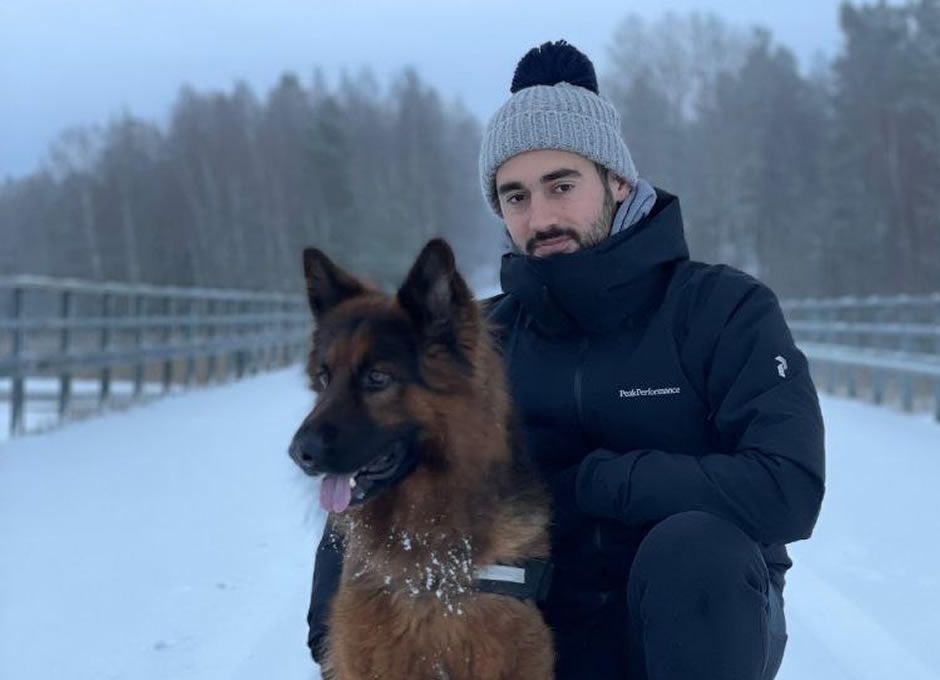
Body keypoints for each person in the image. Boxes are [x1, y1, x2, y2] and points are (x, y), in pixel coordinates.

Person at [307, 40, 825, 680]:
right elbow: (377, 465)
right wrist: (332, 637)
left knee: (696, 547)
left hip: (689, 624)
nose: (541, 217)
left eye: (561, 185)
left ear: (617, 181)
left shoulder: (723, 311)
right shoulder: (482, 340)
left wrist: (600, 481)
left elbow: (788, 490)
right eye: (516, 197)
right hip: (529, 635)